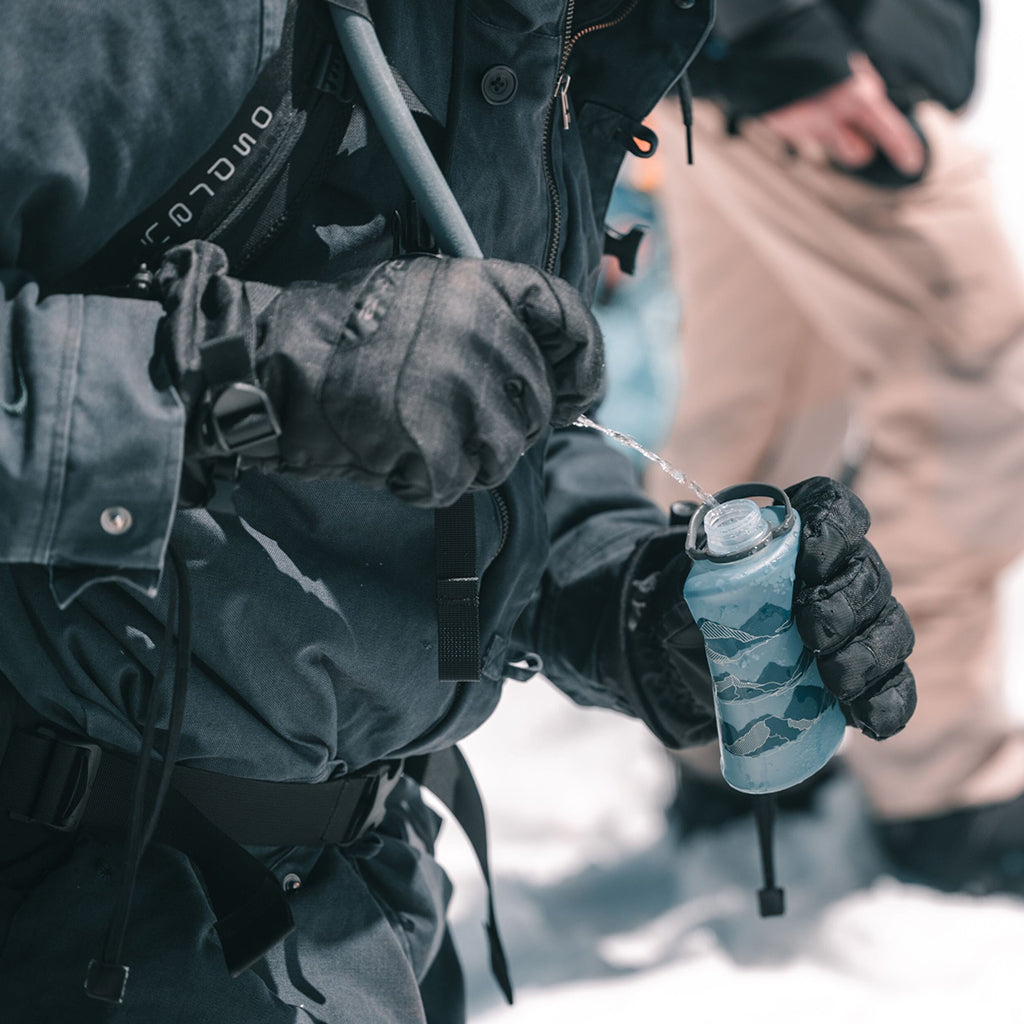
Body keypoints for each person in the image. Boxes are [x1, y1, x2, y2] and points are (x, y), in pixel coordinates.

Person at [0, 1, 917, 1020]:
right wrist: (249, 382)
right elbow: (339, 370)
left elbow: (497, 424)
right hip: (77, 903)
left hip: (368, 907)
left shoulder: (555, 31)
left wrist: (623, 601)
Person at [646, 0, 1024, 894]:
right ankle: (941, 778)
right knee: (980, 399)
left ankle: (734, 727)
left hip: (729, 56)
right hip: (803, 60)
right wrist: (781, 35)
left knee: (761, 405)